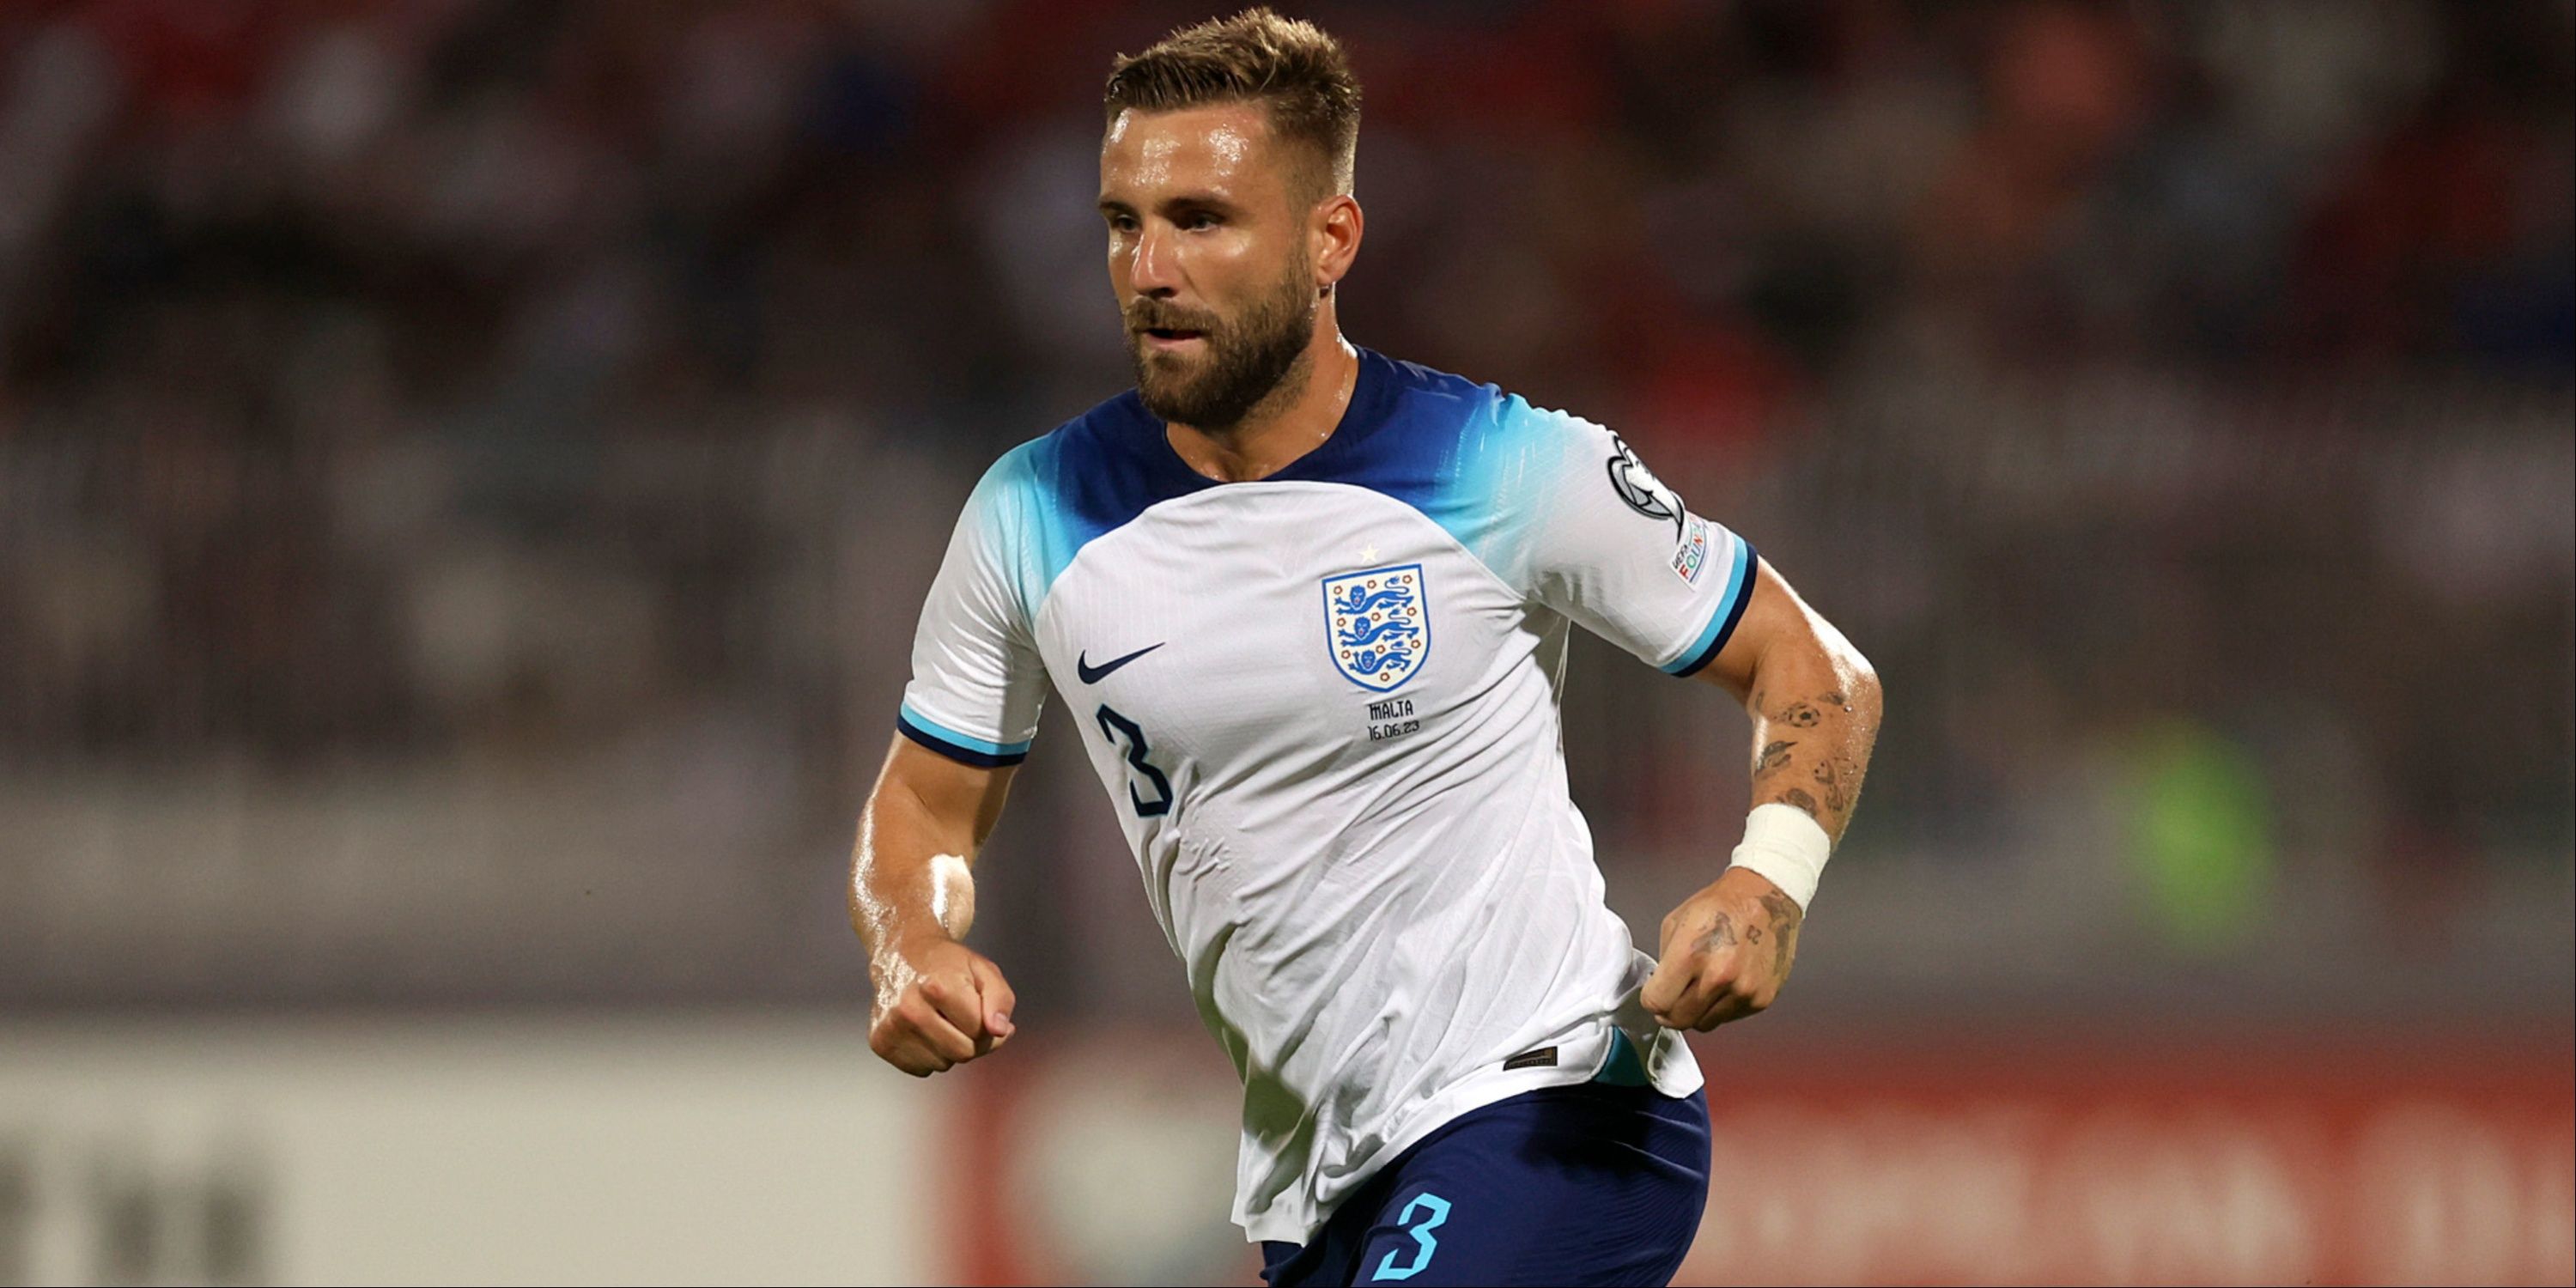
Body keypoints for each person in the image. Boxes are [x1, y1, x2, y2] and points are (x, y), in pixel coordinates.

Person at [850, 9, 1881, 1285]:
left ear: (1330, 238)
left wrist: (1766, 883)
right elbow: (927, 805)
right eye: (1125, 222)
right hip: (1315, 1187)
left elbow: (1817, 669)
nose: (1149, 268)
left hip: (1553, 1111)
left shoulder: (1503, 466)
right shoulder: (1031, 512)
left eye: (1202, 220)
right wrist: (912, 939)